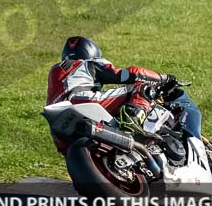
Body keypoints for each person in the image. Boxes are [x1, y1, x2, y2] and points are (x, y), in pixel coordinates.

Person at [46, 36, 178, 139]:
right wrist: (164, 78)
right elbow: (131, 74)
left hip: (58, 125)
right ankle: (131, 123)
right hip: (81, 101)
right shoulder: (89, 63)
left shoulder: (55, 70)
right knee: (140, 86)